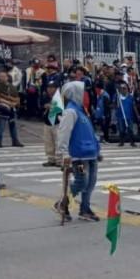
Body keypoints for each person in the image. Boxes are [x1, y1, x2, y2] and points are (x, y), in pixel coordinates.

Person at [55, 81, 102, 223]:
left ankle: (85, 209)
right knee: (82, 181)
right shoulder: (70, 111)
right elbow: (63, 133)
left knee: (91, 182)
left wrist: (98, 149)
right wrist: (64, 153)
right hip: (78, 156)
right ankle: (62, 203)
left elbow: (91, 134)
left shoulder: (82, 111)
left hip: (91, 154)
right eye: (83, 92)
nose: (86, 95)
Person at [0, 70, 22, 148]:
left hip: (12, 107)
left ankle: (15, 140)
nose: (2, 78)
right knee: (1, 124)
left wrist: (11, 102)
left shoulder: (12, 87)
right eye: (0, 76)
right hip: (2, 107)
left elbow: (17, 99)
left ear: (7, 77)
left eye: (4, 76)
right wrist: (8, 102)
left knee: (13, 124)